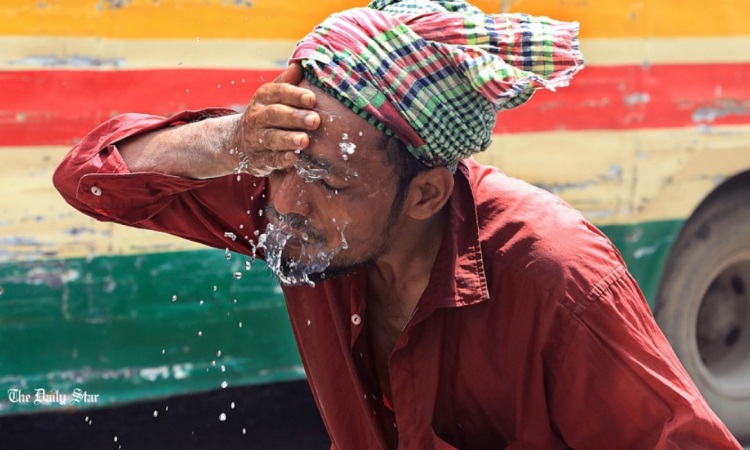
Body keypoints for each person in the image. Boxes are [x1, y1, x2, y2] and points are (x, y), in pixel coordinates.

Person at [53, 0, 742, 448]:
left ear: (427, 194)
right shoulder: (299, 206)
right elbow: (91, 182)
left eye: (327, 180)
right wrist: (230, 141)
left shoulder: (558, 280)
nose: (285, 201)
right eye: (274, 162)